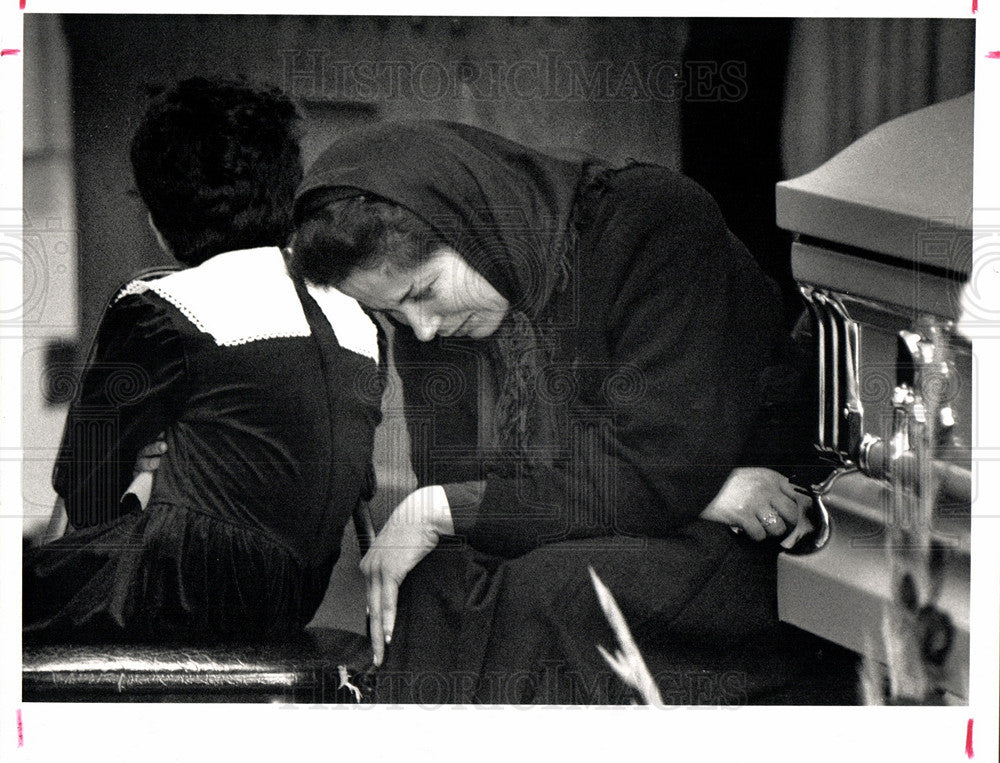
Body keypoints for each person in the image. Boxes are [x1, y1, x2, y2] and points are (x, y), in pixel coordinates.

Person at [290, 120, 821, 704]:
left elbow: (649, 465)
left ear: (475, 226)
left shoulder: (655, 222)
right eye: (391, 314)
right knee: (438, 579)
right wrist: (695, 485)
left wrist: (673, 485)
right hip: (659, 508)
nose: (422, 328)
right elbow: (469, 484)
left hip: (745, 547)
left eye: (423, 291)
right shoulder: (435, 330)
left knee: (547, 594)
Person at [22, 78, 384, 643]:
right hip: (296, 598)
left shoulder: (157, 307)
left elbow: (83, 496)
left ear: (157, 219)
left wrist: (138, 474)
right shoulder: (359, 318)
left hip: (179, 590)